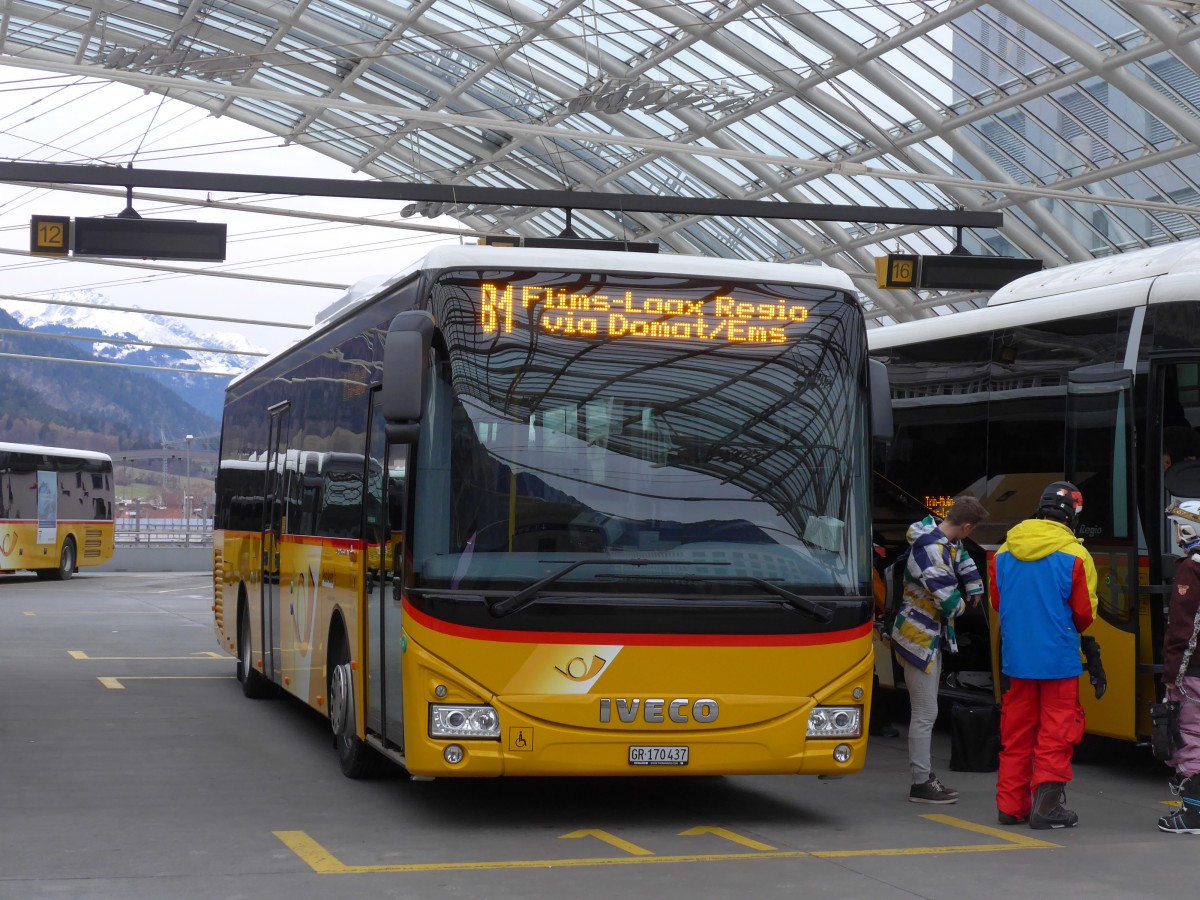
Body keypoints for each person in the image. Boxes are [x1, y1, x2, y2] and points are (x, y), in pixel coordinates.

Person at [989, 481, 1097, 829]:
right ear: (1072, 516)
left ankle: (1010, 807)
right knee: (1057, 731)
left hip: (1017, 660)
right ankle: (1047, 807)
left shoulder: (1003, 552)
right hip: (1058, 660)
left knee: (1016, 734)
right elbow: (1084, 614)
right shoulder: (1076, 555)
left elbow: (997, 603)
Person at [891, 495, 988, 803]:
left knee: (924, 711)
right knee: (925, 712)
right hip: (919, 639)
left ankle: (923, 778)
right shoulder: (933, 551)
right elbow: (948, 603)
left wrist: (972, 581)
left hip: (920, 636)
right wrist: (964, 603)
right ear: (967, 526)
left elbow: (960, 555)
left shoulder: (940, 537)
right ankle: (921, 783)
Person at [1158, 499, 1200, 834]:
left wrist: (1173, 675)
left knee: (1190, 739)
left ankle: (1193, 814)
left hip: (1195, 673)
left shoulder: (1192, 567)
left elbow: (1184, 627)